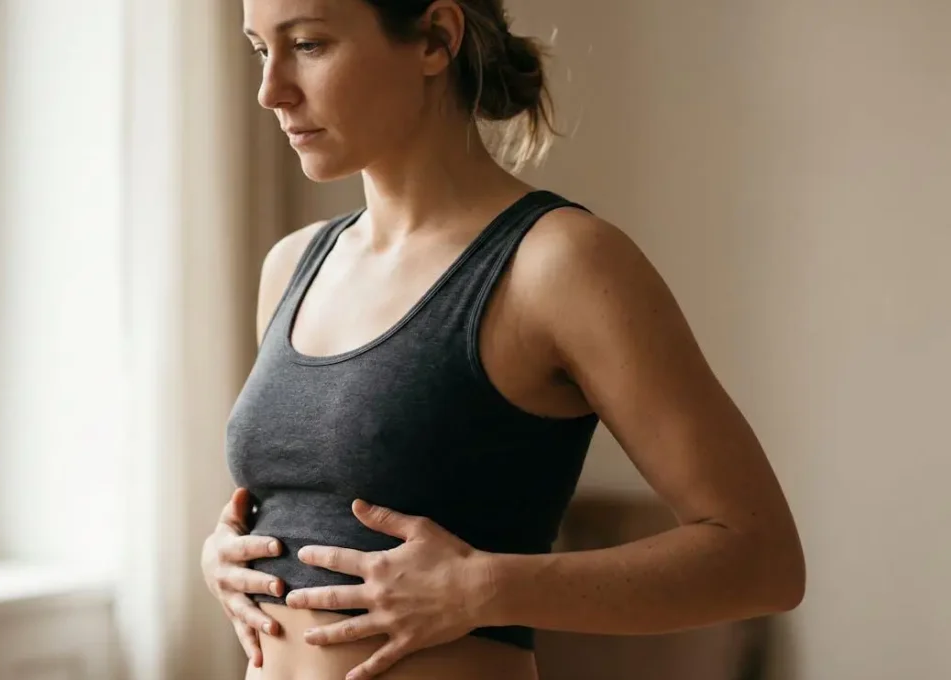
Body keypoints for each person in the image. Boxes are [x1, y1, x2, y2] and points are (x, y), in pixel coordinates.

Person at [201, 1, 806, 679]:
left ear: (435, 38)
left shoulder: (560, 263)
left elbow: (762, 559)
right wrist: (224, 553)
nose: (270, 90)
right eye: (260, 51)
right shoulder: (292, 265)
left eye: (307, 45)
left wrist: (484, 588)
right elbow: (309, 503)